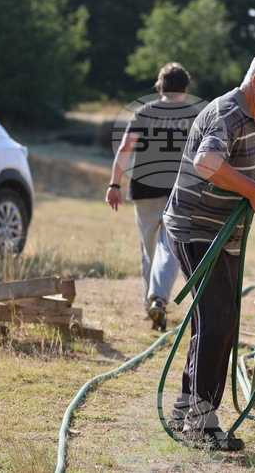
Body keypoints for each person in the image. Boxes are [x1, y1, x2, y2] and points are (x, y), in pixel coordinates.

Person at [162, 50, 255, 451]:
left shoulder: (254, 117)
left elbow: (245, 189)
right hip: (197, 230)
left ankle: (188, 411)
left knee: (217, 319)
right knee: (219, 317)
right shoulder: (229, 113)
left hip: (221, 233)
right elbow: (207, 162)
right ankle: (200, 422)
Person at [105, 63, 202, 331]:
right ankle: (157, 299)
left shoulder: (143, 112)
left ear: (160, 85)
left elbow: (126, 147)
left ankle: (152, 302)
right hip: (179, 193)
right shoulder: (193, 114)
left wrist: (114, 183)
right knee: (170, 248)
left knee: (149, 250)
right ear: (185, 87)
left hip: (145, 191)